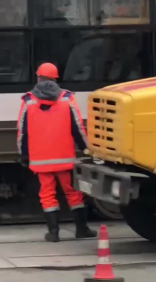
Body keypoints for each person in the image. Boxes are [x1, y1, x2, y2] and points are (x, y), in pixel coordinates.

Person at [17, 63, 96, 242]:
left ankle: (53, 233)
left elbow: (22, 131)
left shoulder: (28, 100)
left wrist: (23, 155)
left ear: (38, 78)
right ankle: (81, 229)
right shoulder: (67, 98)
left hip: (40, 159)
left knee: (47, 194)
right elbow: (77, 127)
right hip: (64, 158)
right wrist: (86, 148)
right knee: (73, 192)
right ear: (55, 78)